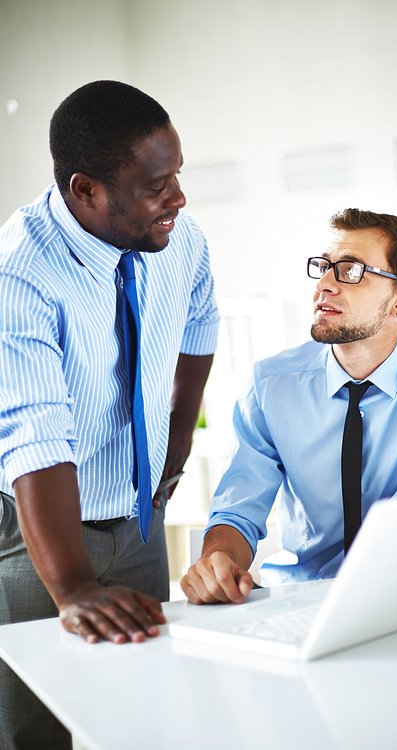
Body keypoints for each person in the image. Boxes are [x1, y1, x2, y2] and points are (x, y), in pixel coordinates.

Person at [0, 81, 219, 750]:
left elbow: (199, 321)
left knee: (141, 712)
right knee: (41, 728)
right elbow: (34, 430)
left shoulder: (176, 238)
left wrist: (176, 443)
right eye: (158, 184)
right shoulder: (19, 273)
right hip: (40, 535)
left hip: (138, 515)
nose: (178, 197)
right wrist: (71, 586)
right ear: (86, 190)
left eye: (177, 173)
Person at [181, 208, 397, 606]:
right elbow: (237, 513)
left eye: (351, 271)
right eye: (324, 268)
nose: (325, 285)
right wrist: (218, 561)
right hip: (302, 600)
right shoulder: (271, 384)